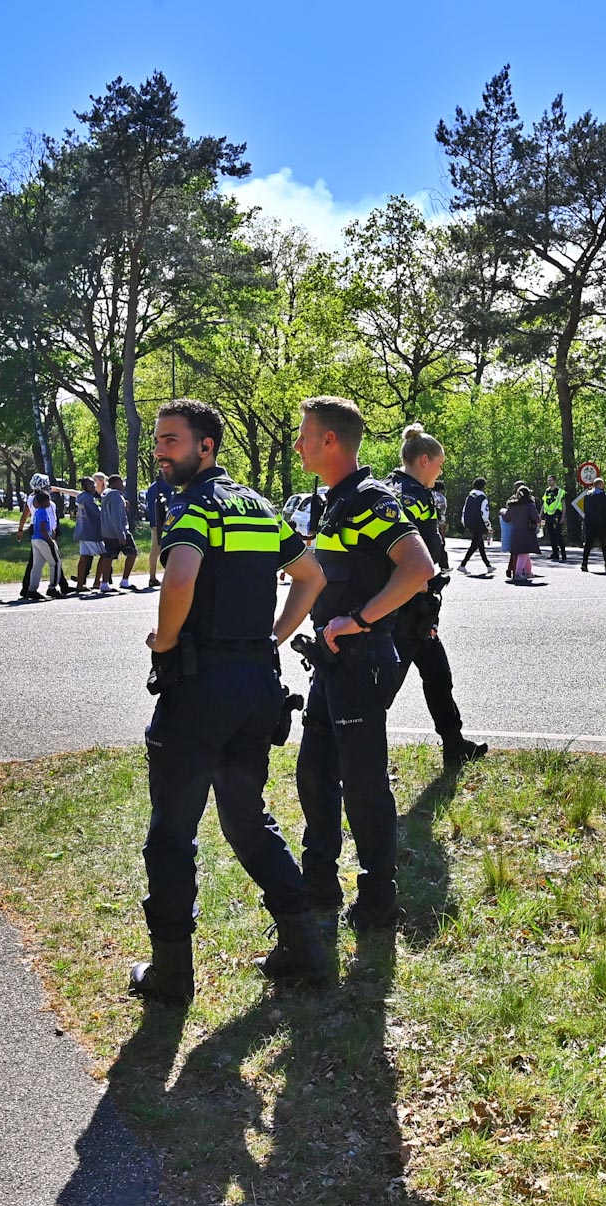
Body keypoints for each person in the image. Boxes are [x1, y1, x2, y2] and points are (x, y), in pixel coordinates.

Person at [126, 398, 332, 1001]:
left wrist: (164, 640)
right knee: (245, 819)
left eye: (172, 441)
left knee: (171, 833)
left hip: (198, 692)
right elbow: (311, 576)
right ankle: (306, 947)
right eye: (159, 440)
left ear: (205, 447)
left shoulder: (195, 508)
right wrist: (272, 637)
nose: (160, 451)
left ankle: (171, 974)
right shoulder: (261, 507)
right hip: (254, 689)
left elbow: (182, 576)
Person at [293, 396, 438, 936]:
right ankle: (319, 884)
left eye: (305, 434)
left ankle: (378, 898)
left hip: (360, 662)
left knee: (362, 782)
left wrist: (356, 618)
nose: (298, 443)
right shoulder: (335, 500)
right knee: (313, 773)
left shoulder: (369, 498)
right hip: (330, 664)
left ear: (330, 440)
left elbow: (417, 569)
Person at [383, 424, 489, 770]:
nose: (441, 471)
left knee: (438, 675)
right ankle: (351, 759)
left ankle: (455, 744)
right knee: (383, 691)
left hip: (396, 604)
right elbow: (427, 554)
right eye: (440, 464)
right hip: (410, 608)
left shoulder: (385, 489)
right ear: (424, 460)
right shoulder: (418, 497)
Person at [101, 474, 139, 591]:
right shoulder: (116, 497)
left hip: (106, 532)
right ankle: (125, 580)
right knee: (132, 553)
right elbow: (116, 518)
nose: (123, 485)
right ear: (114, 484)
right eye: (120, 482)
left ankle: (104, 583)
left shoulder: (106, 495)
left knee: (108, 557)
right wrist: (121, 535)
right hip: (119, 531)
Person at [142, 471, 177, 591]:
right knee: (170, 548)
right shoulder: (168, 486)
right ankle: (168, 577)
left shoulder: (152, 487)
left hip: (154, 521)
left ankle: (152, 575)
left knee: (155, 549)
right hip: (165, 522)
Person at [71, 476, 104, 593]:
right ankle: (97, 582)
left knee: (84, 557)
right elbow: (99, 513)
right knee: (105, 556)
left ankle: (80, 584)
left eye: (93, 484)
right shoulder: (89, 499)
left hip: (82, 531)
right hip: (91, 532)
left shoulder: (81, 498)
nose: (94, 486)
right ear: (85, 487)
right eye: (91, 484)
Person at [503, 484, 542, 582]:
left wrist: (502, 512)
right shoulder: (530, 505)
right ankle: (518, 573)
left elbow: (507, 518)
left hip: (515, 532)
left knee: (524, 552)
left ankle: (528, 572)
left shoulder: (512, 505)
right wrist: (539, 523)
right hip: (527, 531)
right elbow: (536, 518)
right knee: (523, 553)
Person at [576, 478, 606, 573]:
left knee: (588, 543)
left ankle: (584, 563)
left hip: (589, 523)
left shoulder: (588, 495)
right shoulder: (604, 496)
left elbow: (585, 509)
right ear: (601, 485)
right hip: (601, 523)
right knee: (604, 544)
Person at [460, 478, 494, 576]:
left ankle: (488, 566)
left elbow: (464, 510)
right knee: (474, 545)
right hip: (479, 524)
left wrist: (464, 523)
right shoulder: (483, 498)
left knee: (480, 545)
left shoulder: (469, 496)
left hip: (469, 523)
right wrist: (488, 526)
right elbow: (484, 514)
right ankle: (463, 564)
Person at [541, 478, 567, 561]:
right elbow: (544, 504)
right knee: (551, 535)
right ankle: (555, 553)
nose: (549, 482)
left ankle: (563, 554)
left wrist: (563, 517)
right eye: (548, 480)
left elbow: (563, 505)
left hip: (557, 514)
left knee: (558, 535)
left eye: (551, 480)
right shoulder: (547, 491)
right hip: (548, 515)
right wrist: (540, 514)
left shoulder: (560, 492)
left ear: (555, 481)